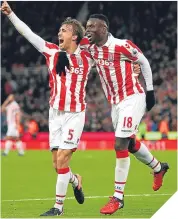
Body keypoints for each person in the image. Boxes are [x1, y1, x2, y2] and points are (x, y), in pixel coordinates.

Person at [0, 1, 94, 216]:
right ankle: (75, 179)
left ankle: (58, 208)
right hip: (55, 114)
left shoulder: (87, 57)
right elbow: (29, 34)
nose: (59, 32)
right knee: (57, 164)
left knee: (62, 159)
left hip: (75, 114)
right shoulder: (51, 51)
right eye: (59, 29)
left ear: (75, 37)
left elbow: (104, 47)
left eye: (65, 30)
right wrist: (11, 14)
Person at [84, 14, 169, 214]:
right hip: (116, 104)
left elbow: (145, 62)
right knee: (129, 144)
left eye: (92, 27)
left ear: (103, 29)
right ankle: (158, 167)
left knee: (120, 143)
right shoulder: (91, 49)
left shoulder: (122, 45)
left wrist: (150, 91)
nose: (88, 30)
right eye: (86, 26)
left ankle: (118, 197)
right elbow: (73, 47)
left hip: (133, 97)